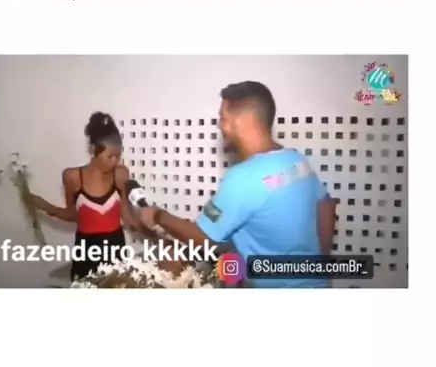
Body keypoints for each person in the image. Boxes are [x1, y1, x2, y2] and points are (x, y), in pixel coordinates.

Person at [139, 81, 337, 287]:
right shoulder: (296, 160)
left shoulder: (243, 178)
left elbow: (203, 238)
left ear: (244, 120)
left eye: (223, 118)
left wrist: (158, 216)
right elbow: (326, 208)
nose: (220, 126)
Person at [30, 112, 141, 280]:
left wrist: (150, 225)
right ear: (93, 150)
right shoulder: (72, 177)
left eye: (118, 155)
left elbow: (125, 215)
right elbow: (74, 215)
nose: (115, 161)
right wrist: (46, 206)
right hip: (86, 249)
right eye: (110, 156)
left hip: (116, 246)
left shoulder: (121, 174)